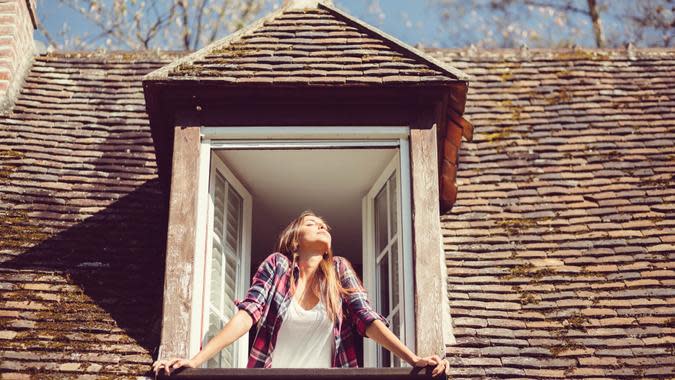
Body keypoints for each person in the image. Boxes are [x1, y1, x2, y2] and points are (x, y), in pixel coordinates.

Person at [152, 210, 449, 377]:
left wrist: (413, 359)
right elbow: (247, 315)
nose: (321, 226)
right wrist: (196, 360)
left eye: (324, 225)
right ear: (295, 241)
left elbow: (366, 319)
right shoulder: (277, 266)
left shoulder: (339, 271)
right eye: (312, 224)